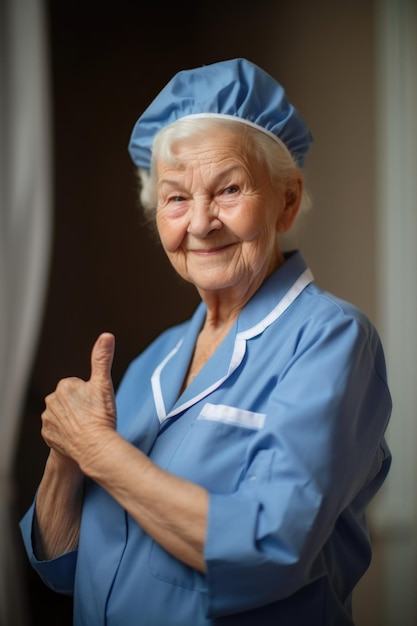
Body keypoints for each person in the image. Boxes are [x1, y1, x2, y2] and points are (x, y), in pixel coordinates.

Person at [20, 58, 392, 625]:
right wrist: (66, 457)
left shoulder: (332, 340)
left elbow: (271, 546)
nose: (200, 222)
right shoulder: (153, 361)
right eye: (175, 198)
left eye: (230, 189)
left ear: (287, 202)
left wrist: (100, 451)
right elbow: (63, 565)